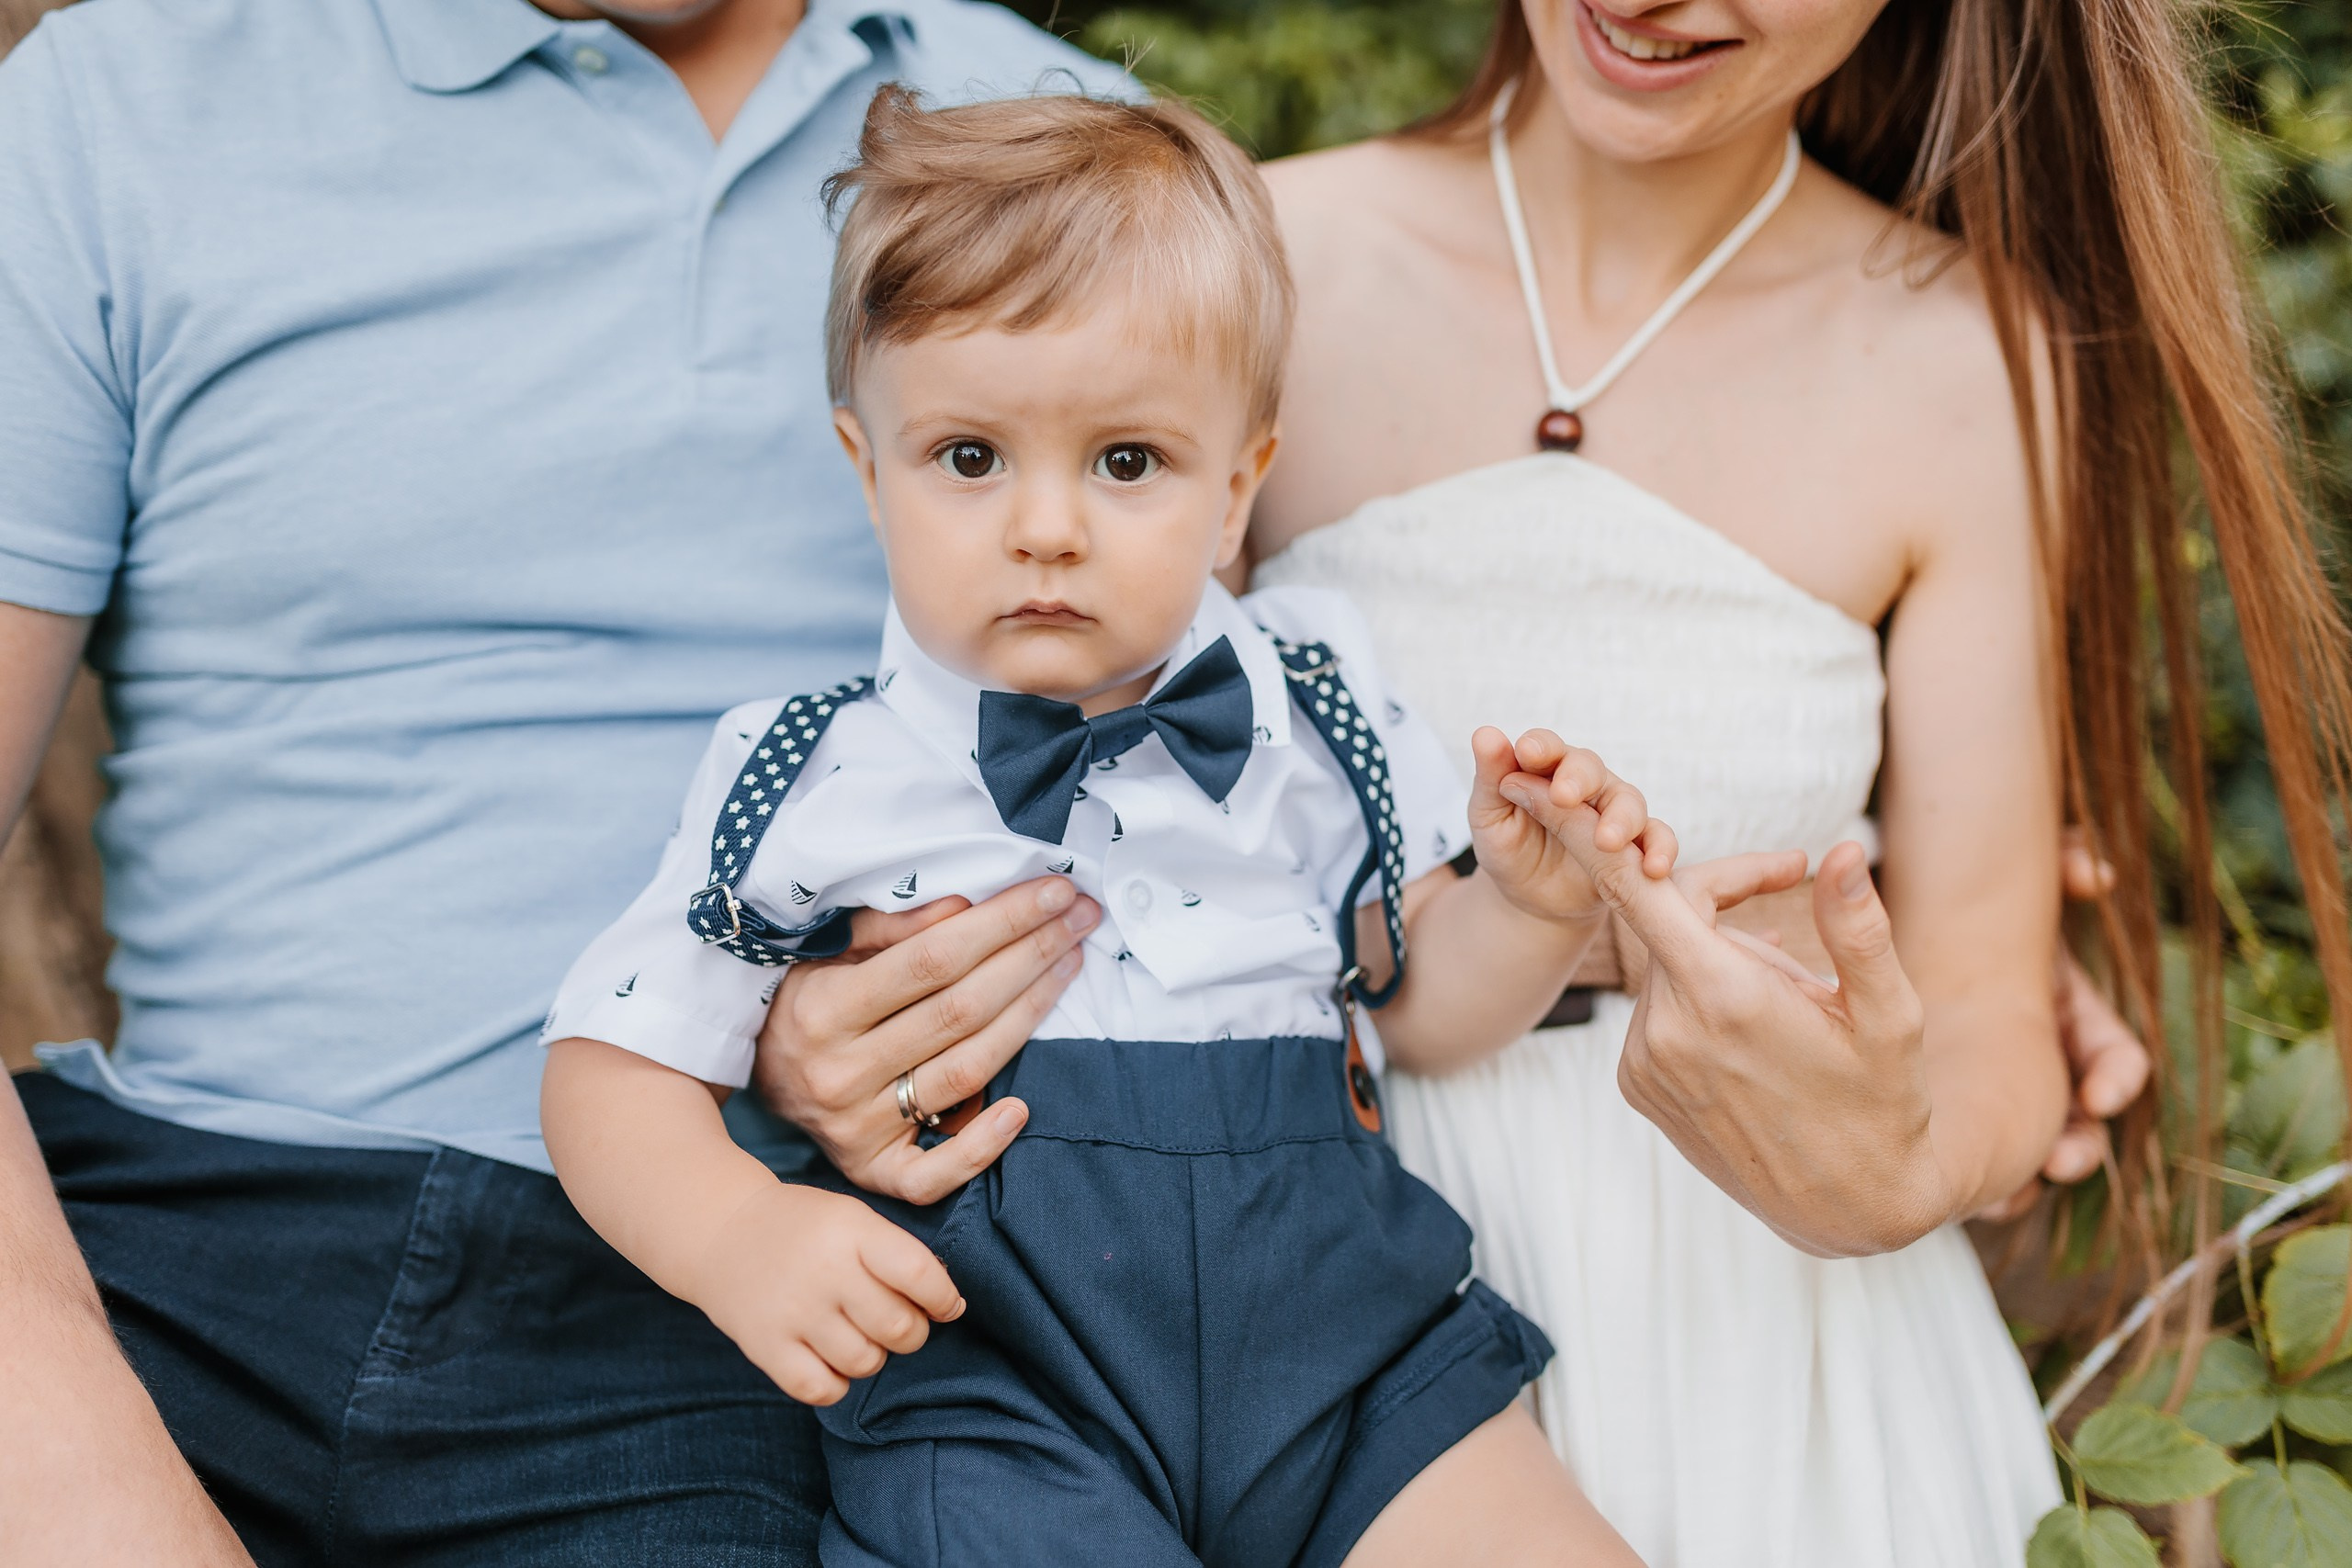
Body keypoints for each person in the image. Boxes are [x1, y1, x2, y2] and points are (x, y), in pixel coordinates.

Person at [0, 1, 1132, 1561]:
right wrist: (78, 1486)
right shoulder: (118, 100)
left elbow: (1207, 806)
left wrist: (897, 1022)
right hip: (165, 1250)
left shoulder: (1055, 128)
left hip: (719, 1291)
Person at [1230, 0, 2352, 1562]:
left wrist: (1894, 1171)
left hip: (1775, 1332)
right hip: (1315, 1268)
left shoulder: (1974, 357)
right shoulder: (1251, 257)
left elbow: (1986, 1018)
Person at [541, 86, 1657, 1566]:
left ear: (1238, 485)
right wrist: (737, 1237)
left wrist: (1529, 907)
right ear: (868, 472)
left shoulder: (1308, 708)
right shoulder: (818, 770)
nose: (1047, 526)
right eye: (969, 458)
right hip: (999, 1377)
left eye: (1127, 463)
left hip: (1351, 1347)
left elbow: (1423, 1008)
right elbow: (611, 1062)